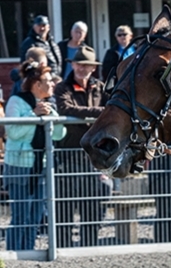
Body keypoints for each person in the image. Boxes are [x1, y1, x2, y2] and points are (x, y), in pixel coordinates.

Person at [4, 61, 66, 251]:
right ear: (37, 84)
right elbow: (13, 132)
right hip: (19, 167)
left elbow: (59, 134)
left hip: (41, 168)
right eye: (48, 80)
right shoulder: (16, 101)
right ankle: (14, 254)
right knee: (21, 216)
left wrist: (50, 117)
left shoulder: (47, 104)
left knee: (35, 217)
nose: (53, 84)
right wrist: (33, 116)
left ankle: (29, 252)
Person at [53, 45, 110, 248]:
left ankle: (89, 248)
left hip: (93, 158)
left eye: (86, 65)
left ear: (92, 68)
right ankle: (62, 249)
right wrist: (98, 113)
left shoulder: (100, 87)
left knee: (92, 208)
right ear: (73, 64)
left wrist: (91, 113)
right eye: (78, 64)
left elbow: (111, 109)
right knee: (65, 208)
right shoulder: (63, 87)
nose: (81, 68)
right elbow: (65, 108)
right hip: (68, 157)